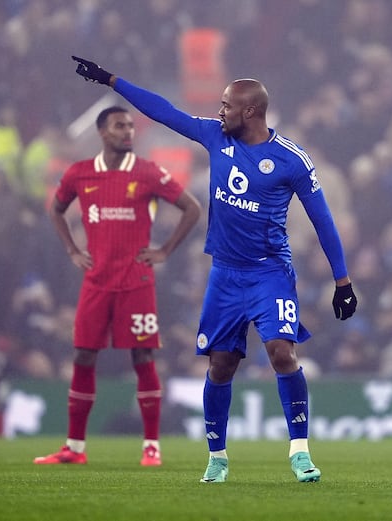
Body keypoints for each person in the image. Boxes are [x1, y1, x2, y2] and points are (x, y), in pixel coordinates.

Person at [70, 56, 358, 482]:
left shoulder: (291, 159)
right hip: (224, 274)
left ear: (250, 112)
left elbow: (324, 220)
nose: (218, 112)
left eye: (226, 105)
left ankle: (300, 452)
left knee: (282, 352)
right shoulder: (214, 136)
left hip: (269, 272)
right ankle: (217, 458)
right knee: (221, 366)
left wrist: (343, 281)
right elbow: (162, 110)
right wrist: (111, 81)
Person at [33, 106, 201, 467]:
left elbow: (192, 208)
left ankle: (151, 446)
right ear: (102, 133)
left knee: (143, 358)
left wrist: (165, 250)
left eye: (130, 126)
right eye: (119, 126)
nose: (128, 132)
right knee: (83, 356)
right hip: (96, 282)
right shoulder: (80, 173)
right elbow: (57, 209)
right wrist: (73, 250)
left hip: (136, 283)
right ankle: (74, 448)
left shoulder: (148, 172)